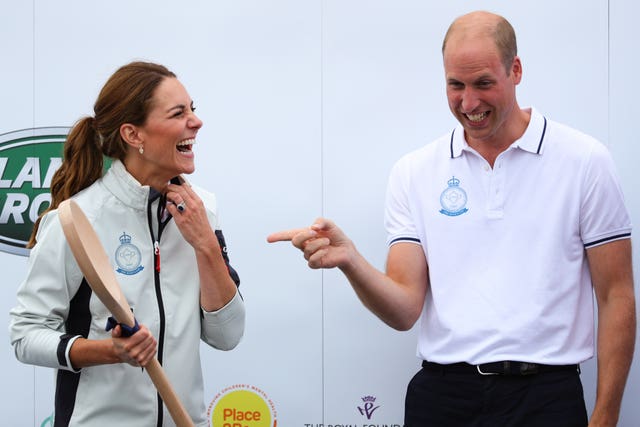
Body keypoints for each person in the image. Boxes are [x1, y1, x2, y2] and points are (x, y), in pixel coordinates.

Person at [267, 10, 636, 427]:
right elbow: (405, 309)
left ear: (515, 70)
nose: (469, 103)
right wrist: (351, 261)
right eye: (455, 85)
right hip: (442, 398)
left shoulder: (584, 161)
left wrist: (605, 416)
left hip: (545, 398)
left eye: (483, 84)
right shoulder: (415, 171)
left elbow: (616, 295)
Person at [9, 61, 245, 427]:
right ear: (134, 135)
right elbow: (26, 336)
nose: (195, 122)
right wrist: (109, 351)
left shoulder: (202, 209)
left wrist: (205, 246)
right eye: (178, 113)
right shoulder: (75, 219)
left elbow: (227, 335)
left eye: (192, 110)